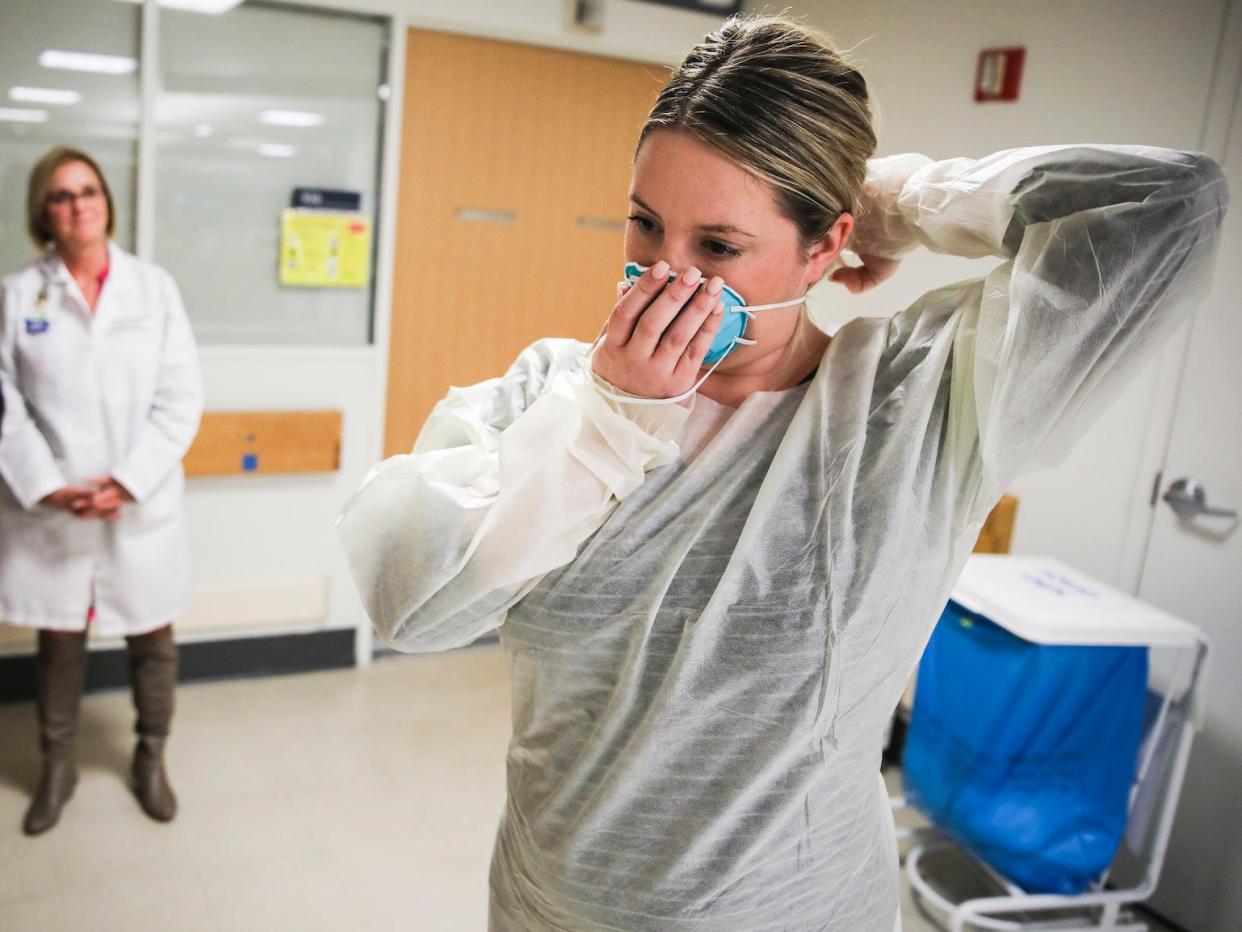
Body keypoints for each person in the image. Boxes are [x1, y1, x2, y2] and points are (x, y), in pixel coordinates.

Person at [339, 15, 1228, 931]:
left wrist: (905, 199)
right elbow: (411, 600)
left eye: (718, 247)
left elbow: (1168, 206)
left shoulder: (914, 404)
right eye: (645, 226)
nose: (662, 275)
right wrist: (605, 428)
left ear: (822, 245)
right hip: (553, 905)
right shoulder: (552, 398)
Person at [0, 146, 202, 835]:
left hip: (135, 502)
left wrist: (126, 481)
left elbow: (180, 398)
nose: (80, 203)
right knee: (59, 641)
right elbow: (6, 404)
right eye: (62, 195)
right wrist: (48, 486)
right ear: (43, 213)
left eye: (89, 190)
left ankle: (150, 759)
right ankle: (56, 768)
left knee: (153, 635)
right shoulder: (17, 293)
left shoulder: (154, 289)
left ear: (107, 202)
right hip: (53, 505)